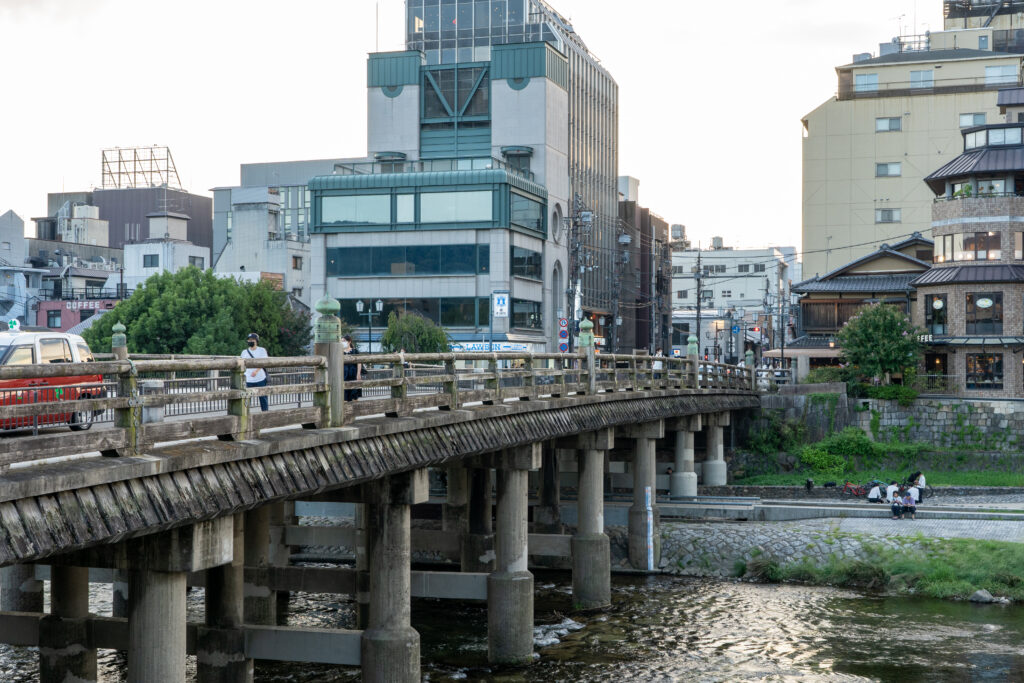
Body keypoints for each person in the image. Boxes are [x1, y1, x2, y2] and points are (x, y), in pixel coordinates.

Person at [241, 333, 269, 412]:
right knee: (246, 399)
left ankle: (265, 414)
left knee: (263, 398)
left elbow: (264, 361)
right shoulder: (244, 352)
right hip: (248, 379)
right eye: (249, 340)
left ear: (256, 341)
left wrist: (256, 371)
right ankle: (245, 414)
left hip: (260, 378)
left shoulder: (261, 350)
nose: (250, 341)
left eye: (252, 340)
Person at [343, 335, 362, 402]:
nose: (343, 342)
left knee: (354, 397)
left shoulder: (355, 351)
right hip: (344, 375)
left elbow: (359, 363)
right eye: (342, 341)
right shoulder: (340, 352)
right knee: (344, 398)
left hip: (353, 374)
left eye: (344, 341)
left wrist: (358, 373)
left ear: (349, 341)